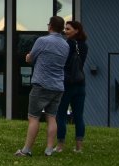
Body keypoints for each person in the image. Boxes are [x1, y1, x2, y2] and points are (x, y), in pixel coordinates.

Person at [16, 16, 69, 157]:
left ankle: (26, 150)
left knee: (34, 117)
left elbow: (31, 58)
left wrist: (28, 56)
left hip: (42, 84)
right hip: (58, 86)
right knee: (51, 117)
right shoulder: (65, 45)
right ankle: (49, 149)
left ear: (50, 26)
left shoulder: (42, 41)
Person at [55, 20, 89, 153]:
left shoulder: (67, 44)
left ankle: (60, 145)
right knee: (79, 116)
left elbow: (62, 63)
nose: (65, 31)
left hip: (67, 84)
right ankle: (79, 146)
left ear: (76, 30)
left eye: (68, 29)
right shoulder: (84, 46)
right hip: (80, 83)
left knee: (61, 115)